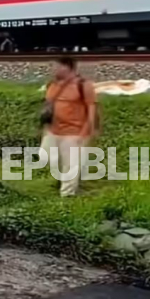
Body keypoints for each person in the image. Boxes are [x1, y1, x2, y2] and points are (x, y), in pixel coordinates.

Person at [40, 56, 98, 198]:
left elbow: (91, 108)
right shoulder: (52, 85)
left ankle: (67, 195)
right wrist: (44, 128)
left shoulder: (83, 85)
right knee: (45, 156)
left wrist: (86, 131)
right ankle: (64, 179)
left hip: (74, 132)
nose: (52, 70)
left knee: (71, 164)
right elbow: (48, 106)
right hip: (53, 130)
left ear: (67, 67)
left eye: (55, 66)